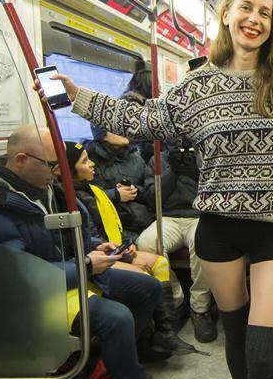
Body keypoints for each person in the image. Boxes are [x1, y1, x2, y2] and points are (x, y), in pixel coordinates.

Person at [37, 0, 273, 379]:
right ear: (227, 15)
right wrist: (77, 96)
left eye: (265, 13)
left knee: (263, 346)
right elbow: (141, 118)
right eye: (245, 8)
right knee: (235, 332)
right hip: (219, 228)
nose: (254, 19)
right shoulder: (197, 87)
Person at [0, 126, 183, 379]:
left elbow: (65, 236)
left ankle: (117, 366)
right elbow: (20, 277)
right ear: (21, 159)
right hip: (31, 297)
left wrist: (93, 248)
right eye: (52, 165)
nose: (58, 173)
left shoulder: (44, 187)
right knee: (117, 318)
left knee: (148, 288)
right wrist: (86, 265)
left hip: (65, 273)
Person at [61, 140, 197, 357]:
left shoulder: (93, 189)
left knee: (159, 262)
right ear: (68, 170)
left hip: (114, 246)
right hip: (97, 256)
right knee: (144, 270)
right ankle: (143, 341)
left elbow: (113, 224)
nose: (92, 164)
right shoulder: (72, 199)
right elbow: (91, 237)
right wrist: (119, 251)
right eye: (85, 162)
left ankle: (166, 330)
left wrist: (125, 242)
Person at [137, 141, 216, 343]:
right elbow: (152, 198)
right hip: (168, 217)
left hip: (200, 215)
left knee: (204, 242)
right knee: (147, 243)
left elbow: (217, 191)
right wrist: (172, 171)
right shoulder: (157, 160)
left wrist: (194, 172)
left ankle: (200, 307)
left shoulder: (207, 156)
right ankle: (175, 301)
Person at [83, 126, 152, 234]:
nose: (123, 131)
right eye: (116, 128)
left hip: (140, 224)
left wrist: (136, 191)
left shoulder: (136, 158)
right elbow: (84, 196)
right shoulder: (88, 160)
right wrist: (115, 195)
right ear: (102, 134)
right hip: (105, 228)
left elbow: (151, 192)